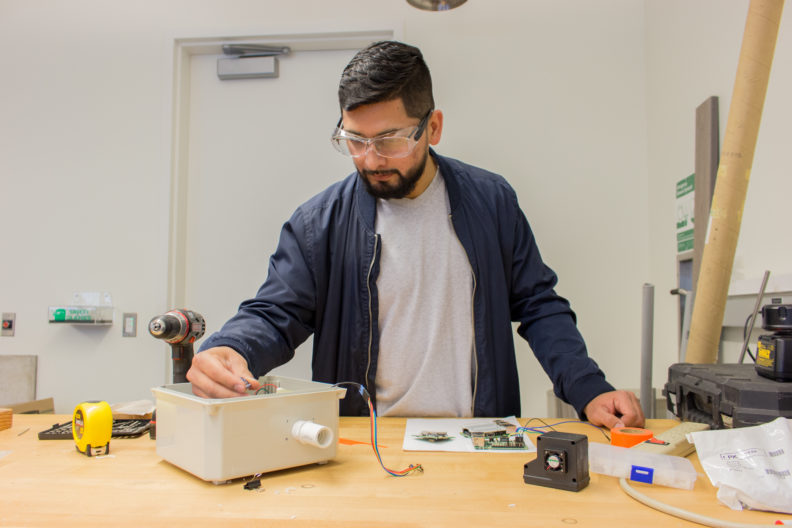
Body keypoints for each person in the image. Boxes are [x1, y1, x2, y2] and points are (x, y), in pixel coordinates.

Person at [187, 40, 644, 429]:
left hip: (479, 436)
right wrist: (232, 347)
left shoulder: (492, 202)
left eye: (389, 140)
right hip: (366, 443)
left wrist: (588, 389)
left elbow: (539, 306)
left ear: (434, 127)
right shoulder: (318, 224)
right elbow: (275, 313)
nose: (371, 159)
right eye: (355, 140)